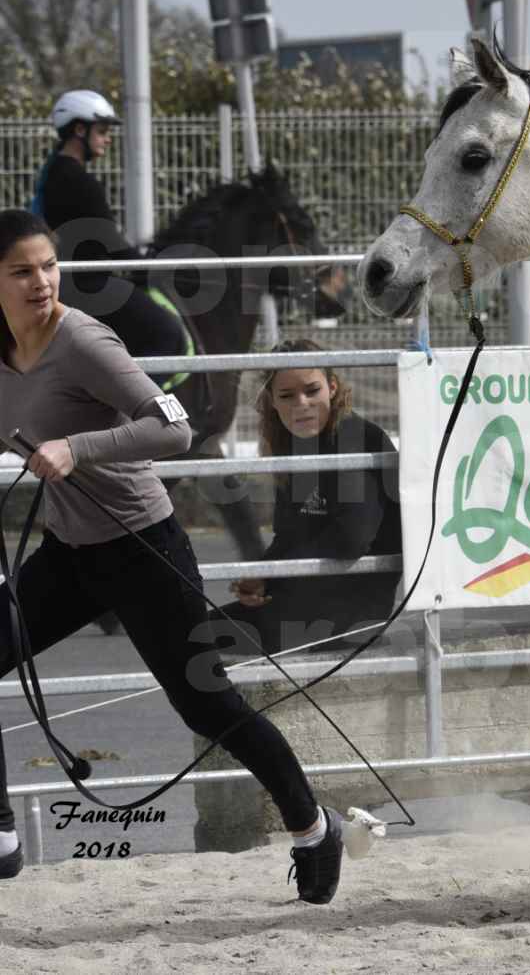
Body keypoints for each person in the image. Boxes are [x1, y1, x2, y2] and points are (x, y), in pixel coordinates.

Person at [0, 210, 344, 898]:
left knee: (205, 704)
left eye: (48, 266)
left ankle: (313, 826)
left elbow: (174, 427)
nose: (41, 282)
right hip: (69, 551)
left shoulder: (83, 341)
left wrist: (79, 448)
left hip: (142, 546)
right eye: (21, 272)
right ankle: (3, 833)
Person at [201, 340, 402, 656]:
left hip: (354, 609)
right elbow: (289, 535)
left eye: (312, 390)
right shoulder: (291, 444)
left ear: (332, 387)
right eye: (286, 395)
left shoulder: (356, 436)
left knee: (195, 639)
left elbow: (351, 539)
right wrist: (262, 576)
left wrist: (273, 573)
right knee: (190, 635)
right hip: (306, 597)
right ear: (272, 401)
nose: (301, 403)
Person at [30, 90, 188, 380]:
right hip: (88, 284)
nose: (108, 138)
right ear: (79, 129)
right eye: (102, 130)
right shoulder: (78, 180)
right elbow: (109, 242)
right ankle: (135, 409)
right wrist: (147, 269)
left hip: (75, 280)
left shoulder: (55, 173)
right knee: (168, 333)